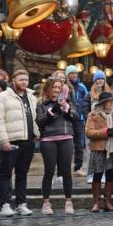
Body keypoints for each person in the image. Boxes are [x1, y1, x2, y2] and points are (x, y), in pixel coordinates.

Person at [0, 69, 39, 217]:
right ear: (13, 81)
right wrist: (3, 140)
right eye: (21, 80)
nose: (24, 82)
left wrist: (36, 134)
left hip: (28, 141)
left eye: (26, 80)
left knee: (22, 174)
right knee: (5, 174)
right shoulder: (2, 97)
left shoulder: (31, 96)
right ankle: (5, 204)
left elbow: (34, 116)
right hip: (10, 141)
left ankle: (21, 204)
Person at [35, 78, 77, 216]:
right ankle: (46, 202)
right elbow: (40, 122)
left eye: (59, 88)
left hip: (66, 137)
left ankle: (68, 202)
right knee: (49, 171)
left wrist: (67, 109)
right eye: (54, 87)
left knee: (66, 172)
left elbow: (75, 118)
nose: (57, 90)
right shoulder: (41, 103)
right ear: (48, 89)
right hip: (48, 139)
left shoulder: (68, 102)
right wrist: (53, 110)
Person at [86, 92, 113, 213]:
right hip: (98, 149)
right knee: (97, 175)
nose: (110, 104)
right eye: (107, 101)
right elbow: (89, 132)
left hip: (112, 149)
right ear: (102, 103)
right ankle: (96, 202)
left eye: (111, 101)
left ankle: (108, 201)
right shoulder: (93, 115)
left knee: (110, 174)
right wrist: (106, 132)